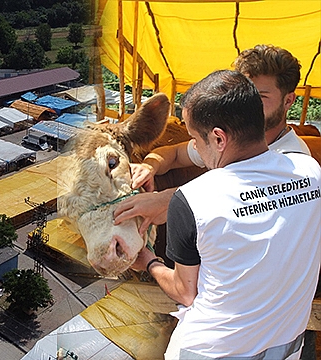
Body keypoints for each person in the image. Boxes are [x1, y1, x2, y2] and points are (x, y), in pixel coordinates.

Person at [130, 69, 321, 359]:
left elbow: (185, 292)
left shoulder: (192, 200)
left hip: (210, 351)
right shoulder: (311, 172)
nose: (193, 146)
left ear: (219, 138)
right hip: (286, 346)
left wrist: (148, 261)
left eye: (194, 137)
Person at [114, 45, 310, 235]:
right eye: (243, 95)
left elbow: (246, 195)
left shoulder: (293, 159)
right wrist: (149, 166)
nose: (246, 106)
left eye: (260, 97)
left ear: (288, 101)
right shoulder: (229, 140)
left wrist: (165, 200)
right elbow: (174, 154)